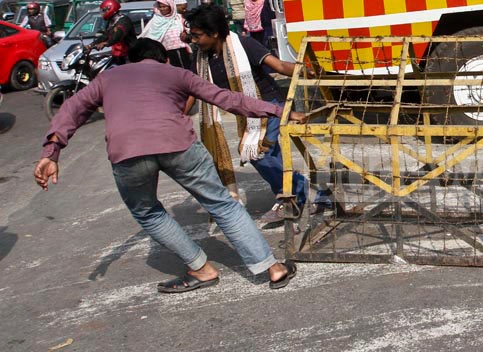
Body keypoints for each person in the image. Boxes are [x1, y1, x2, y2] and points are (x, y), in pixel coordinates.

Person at [32, 39, 301, 293]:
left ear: (130, 60)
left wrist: (52, 152)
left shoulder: (107, 78)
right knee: (221, 204)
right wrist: (279, 111)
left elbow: (71, 109)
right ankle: (273, 269)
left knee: (148, 212)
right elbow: (228, 99)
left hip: (128, 152)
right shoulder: (176, 73)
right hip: (179, 145)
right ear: (165, 59)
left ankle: (201, 269)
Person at [186, 5, 310, 223]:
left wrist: (314, 73)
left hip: (269, 103)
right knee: (268, 156)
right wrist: (179, 113)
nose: (193, 40)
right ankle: (303, 193)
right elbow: (193, 88)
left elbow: (279, 66)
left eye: (197, 35)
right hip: (245, 111)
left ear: (214, 33)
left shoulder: (243, 45)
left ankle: (295, 193)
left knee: (257, 152)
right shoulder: (202, 58)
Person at [141, 0, 191, 69]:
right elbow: (150, 37)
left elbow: (189, 31)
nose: (162, 9)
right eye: (160, 7)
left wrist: (186, 36)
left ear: (171, 6)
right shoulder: (155, 21)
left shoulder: (178, 18)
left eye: (165, 7)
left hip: (182, 50)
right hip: (165, 52)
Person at [89, 0, 136, 66]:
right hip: (118, 55)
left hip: (129, 56)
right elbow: (106, 35)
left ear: (110, 9)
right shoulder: (112, 21)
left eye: (104, 11)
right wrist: (91, 45)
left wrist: (105, 43)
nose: (102, 13)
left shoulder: (124, 21)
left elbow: (118, 35)